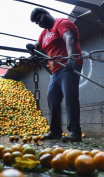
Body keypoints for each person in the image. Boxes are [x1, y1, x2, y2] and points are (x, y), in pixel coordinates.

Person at [26, 8, 83, 142]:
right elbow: (38, 46)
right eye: (36, 22)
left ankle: (75, 133)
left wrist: (71, 58)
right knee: (52, 99)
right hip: (55, 70)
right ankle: (55, 132)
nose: (39, 23)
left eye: (39, 19)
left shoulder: (62, 23)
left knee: (70, 97)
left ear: (45, 13)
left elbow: (69, 38)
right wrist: (32, 47)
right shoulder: (44, 33)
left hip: (68, 66)